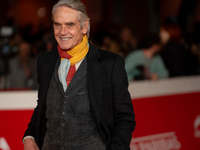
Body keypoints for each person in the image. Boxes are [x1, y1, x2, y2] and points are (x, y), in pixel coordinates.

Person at [23, 0, 136, 150]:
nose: (62, 32)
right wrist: (29, 137)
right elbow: (43, 107)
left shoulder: (110, 64)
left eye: (70, 24)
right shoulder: (45, 62)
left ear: (84, 26)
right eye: (57, 24)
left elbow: (125, 118)